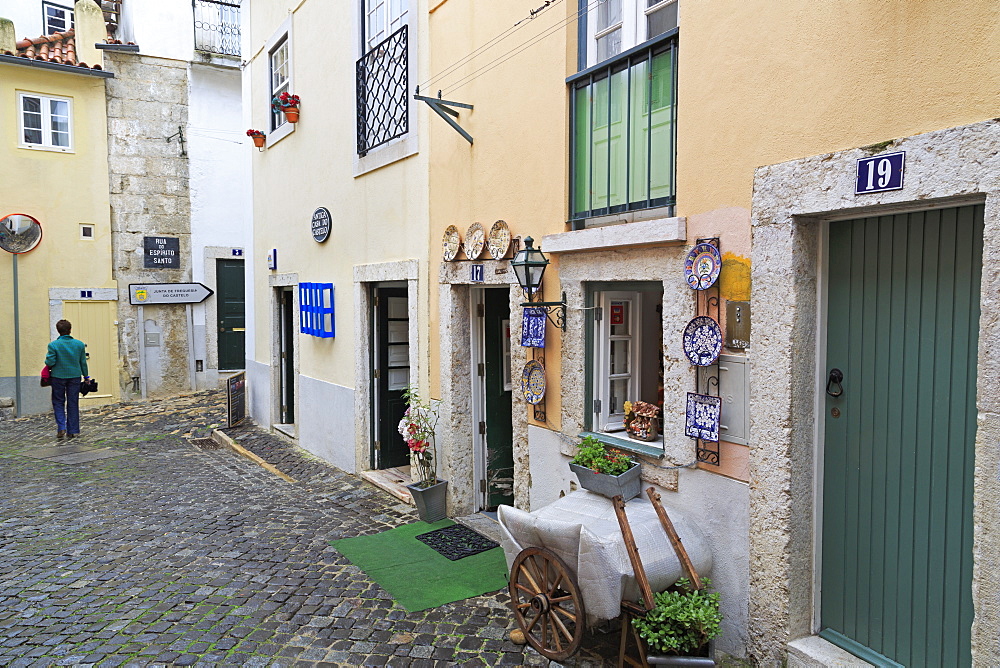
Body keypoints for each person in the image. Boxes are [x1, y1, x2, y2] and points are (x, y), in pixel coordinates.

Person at [45, 319, 88, 440]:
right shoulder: (79, 344)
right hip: (74, 376)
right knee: (73, 402)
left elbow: (50, 361)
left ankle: (61, 427)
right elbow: (83, 363)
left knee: (58, 401)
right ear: (70, 330)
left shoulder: (53, 345)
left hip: (58, 377)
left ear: (58, 331)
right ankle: (73, 430)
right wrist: (86, 377)